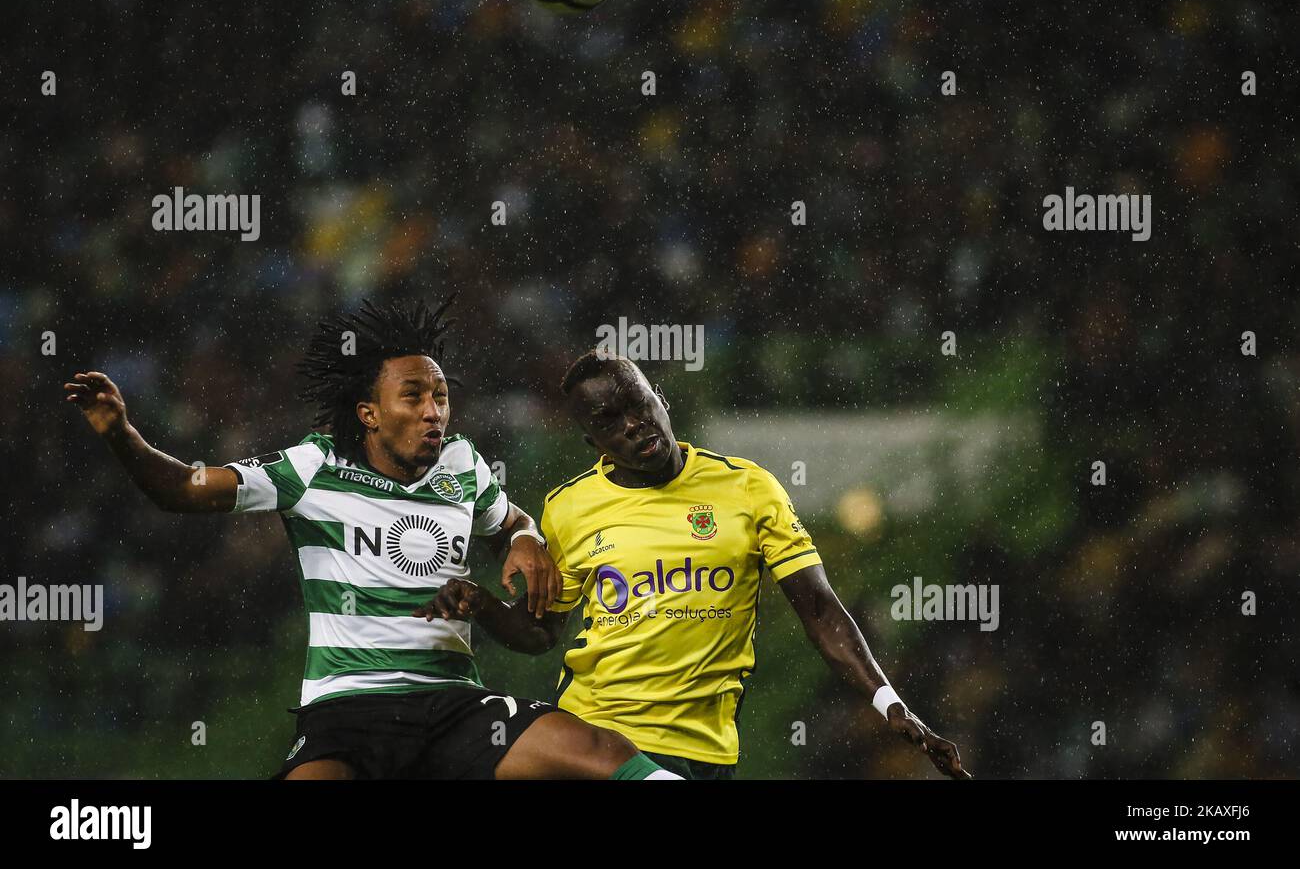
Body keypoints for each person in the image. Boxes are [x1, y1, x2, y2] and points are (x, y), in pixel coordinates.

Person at [65, 300, 680, 780]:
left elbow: (514, 522)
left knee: (599, 752)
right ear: (369, 412)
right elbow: (183, 489)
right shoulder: (313, 467)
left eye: (440, 396)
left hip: (453, 707)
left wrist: (525, 538)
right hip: (348, 710)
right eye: (413, 396)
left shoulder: (463, 466)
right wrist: (122, 433)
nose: (434, 410)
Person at [416, 351, 971, 779]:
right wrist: (482, 604)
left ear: (659, 397)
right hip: (595, 733)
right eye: (611, 422)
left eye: (638, 405)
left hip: (702, 749)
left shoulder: (749, 488)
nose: (633, 425)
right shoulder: (570, 507)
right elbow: (543, 632)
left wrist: (890, 703)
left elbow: (821, 611)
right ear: (594, 441)